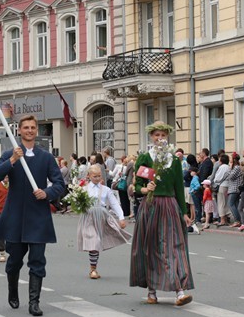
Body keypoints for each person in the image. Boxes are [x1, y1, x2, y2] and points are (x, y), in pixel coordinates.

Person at [0, 114, 65, 317]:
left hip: (38, 217)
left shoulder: (46, 157)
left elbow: (59, 184)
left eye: (33, 127)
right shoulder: (9, 154)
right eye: (26, 128)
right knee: (14, 261)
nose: (30, 130)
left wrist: (47, 193)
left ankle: (34, 302)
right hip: (14, 217)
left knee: (38, 261)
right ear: (19, 131)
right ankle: (12, 291)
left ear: (36, 131)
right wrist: (13, 160)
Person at [130, 121, 194, 306]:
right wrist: (145, 189)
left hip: (170, 205)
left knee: (173, 247)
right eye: (157, 135)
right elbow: (137, 186)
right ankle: (152, 290)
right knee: (150, 247)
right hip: (151, 206)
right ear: (151, 137)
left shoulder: (174, 160)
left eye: (163, 135)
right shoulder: (145, 158)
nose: (160, 139)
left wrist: (183, 211)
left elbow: (179, 188)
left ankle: (179, 292)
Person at [77, 165, 131, 279]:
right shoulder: (84, 189)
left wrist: (121, 217)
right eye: (94, 176)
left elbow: (114, 203)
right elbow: (78, 203)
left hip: (101, 217)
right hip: (88, 217)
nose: (97, 178)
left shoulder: (106, 189)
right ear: (89, 176)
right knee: (93, 240)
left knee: (98, 241)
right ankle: (93, 269)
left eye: (99, 176)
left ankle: (93, 268)